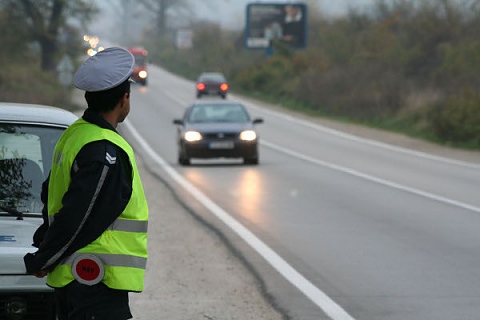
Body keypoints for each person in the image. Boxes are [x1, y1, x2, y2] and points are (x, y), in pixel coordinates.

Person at [24, 47, 149, 320]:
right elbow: (79, 215)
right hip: (95, 280)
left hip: (76, 280)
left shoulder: (76, 133)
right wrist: (44, 257)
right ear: (124, 100)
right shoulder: (105, 149)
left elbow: (51, 193)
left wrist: (45, 242)